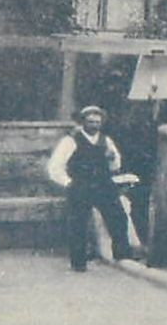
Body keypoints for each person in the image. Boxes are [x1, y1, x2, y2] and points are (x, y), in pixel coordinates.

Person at [47, 105, 136, 271]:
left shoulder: (106, 140)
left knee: (118, 217)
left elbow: (116, 165)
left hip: (103, 184)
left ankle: (122, 255)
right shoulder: (71, 140)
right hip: (81, 185)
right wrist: (68, 182)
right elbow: (55, 166)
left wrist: (112, 159)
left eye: (97, 122)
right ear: (83, 122)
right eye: (90, 121)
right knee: (78, 223)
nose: (94, 125)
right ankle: (79, 262)